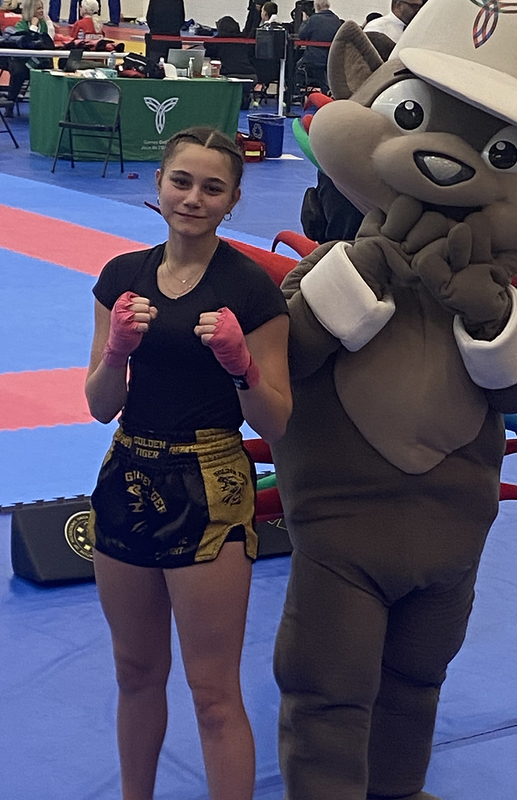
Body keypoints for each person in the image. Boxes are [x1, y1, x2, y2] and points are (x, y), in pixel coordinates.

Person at [84, 127, 291, 800]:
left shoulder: (253, 289)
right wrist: (116, 352)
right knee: (134, 670)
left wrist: (242, 366)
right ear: (159, 183)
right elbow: (98, 405)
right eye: (182, 181)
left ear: (232, 199)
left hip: (211, 486)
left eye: (211, 188)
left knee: (212, 692)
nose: (193, 198)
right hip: (127, 475)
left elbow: (277, 420)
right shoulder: (121, 278)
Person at [4, 0, 56, 116]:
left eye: (42, 8)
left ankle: (47, 103)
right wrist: (33, 27)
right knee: (18, 72)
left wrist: (49, 23)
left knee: (49, 69)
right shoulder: (21, 25)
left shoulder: (43, 25)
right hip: (22, 60)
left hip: (39, 59)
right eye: (38, 9)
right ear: (31, 11)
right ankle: (10, 103)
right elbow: (26, 43)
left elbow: (49, 41)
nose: (42, 11)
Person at [295, 0, 340, 94]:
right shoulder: (336, 19)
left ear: (317, 6)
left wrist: (304, 21)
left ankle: (297, 92)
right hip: (330, 58)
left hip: (313, 57)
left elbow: (301, 35)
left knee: (297, 65)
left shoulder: (314, 19)